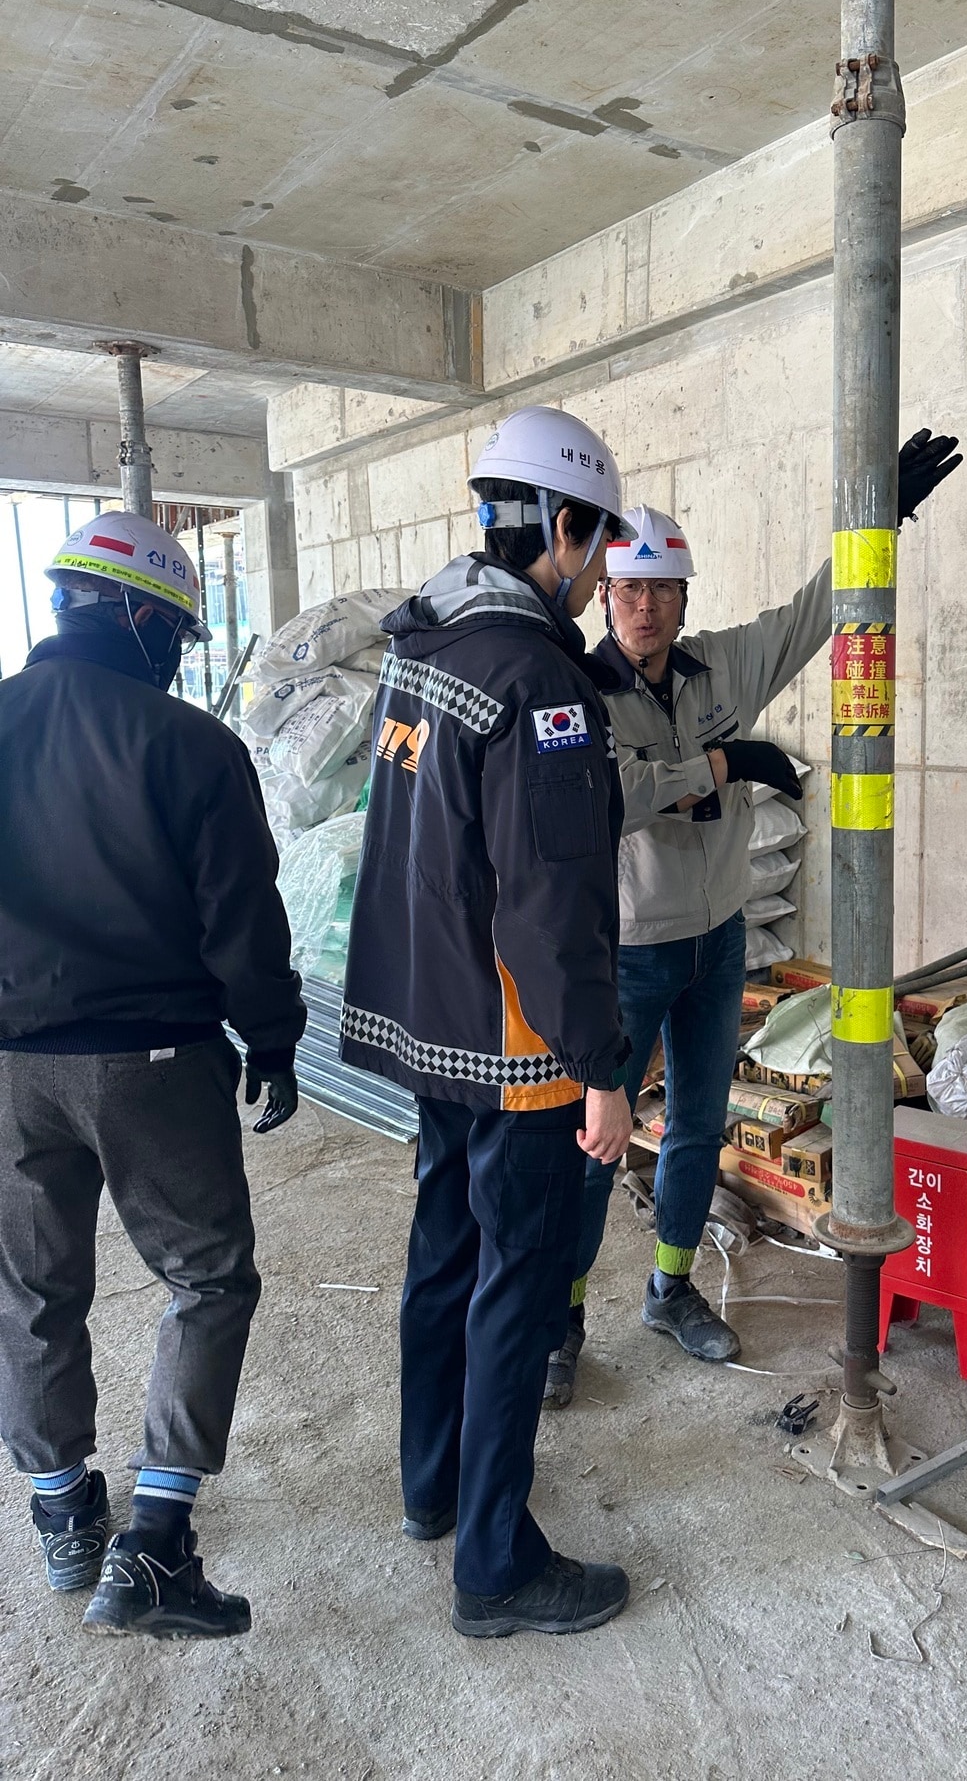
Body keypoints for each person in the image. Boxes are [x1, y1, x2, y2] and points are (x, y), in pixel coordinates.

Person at [545, 432, 963, 1402]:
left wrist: (873, 522)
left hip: (718, 939)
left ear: (684, 599)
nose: (643, 608)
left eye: (660, 591)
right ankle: (560, 1315)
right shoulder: (583, 695)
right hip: (631, 953)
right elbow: (611, 795)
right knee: (596, 1143)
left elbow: (810, 614)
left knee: (696, 1125)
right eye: (626, 591)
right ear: (603, 598)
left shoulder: (721, 671)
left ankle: (671, 1285)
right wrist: (721, 768)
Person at [340, 405, 637, 1640]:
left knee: (442, 1260)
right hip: (517, 1056)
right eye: (599, 544)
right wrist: (605, 1070)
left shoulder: (425, 649)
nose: (603, 571)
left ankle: (434, 1491)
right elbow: (549, 911)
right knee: (517, 1285)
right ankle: (496, 1566)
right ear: (562, 527)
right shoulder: (535, 686)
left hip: (432, 1033)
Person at [0, 512, 304, 1640]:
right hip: (154, 1064)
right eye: (173, 631)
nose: (176, 652)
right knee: (209, 1278)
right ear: (137, 616)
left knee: (31, 1291)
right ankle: (160, 1541)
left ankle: (64, 1513)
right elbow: (241, 922)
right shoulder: (187, 745)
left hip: (9, 1069)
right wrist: (270, 1040)